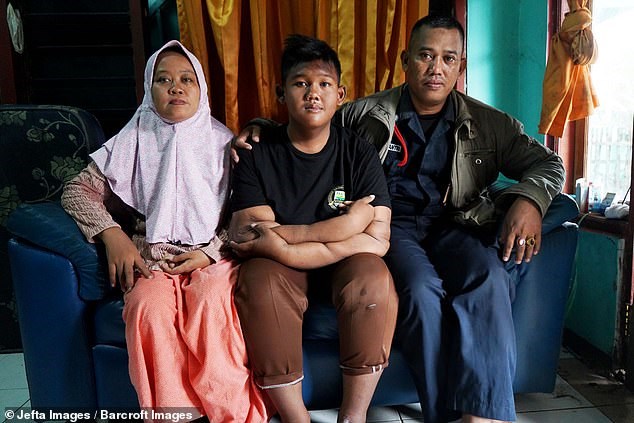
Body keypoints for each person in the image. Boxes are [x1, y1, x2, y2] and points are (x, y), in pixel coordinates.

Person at [234, 15, 565, 423]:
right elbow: (311, 120)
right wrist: (259, 127)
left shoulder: (490, 124)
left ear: (461, 66)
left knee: (490, 276)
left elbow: (549, 164)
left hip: (457, 225)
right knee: (421, 291)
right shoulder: (366, 114)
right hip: (394, 228)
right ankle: (442, 415)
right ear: (406, 60)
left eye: (448, 58)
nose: (436, 68)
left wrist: (529, 201)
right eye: (426, 56)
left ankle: (482, 416)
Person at [61, 40, 271, 422]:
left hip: (214, 255)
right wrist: (113, 235)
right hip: (151, 257)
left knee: (212, 303)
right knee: (148, 307)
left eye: (187, 79)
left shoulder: (225, 144)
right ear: (149, 88)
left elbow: (244, 215)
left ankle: (233, 414)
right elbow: (77, 191)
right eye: (164, 80)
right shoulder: (131, 140)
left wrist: (210, 252)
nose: (176, 88)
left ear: (201, 89)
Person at [228, 34, 398, 423]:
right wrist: (347, 225)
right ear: (281, 93)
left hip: (343, 265)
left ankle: (353, 416)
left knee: (373, 277)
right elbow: (252, 233)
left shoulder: (358, 151)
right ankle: (296, 417)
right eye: (300, 83)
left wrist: (287, 242)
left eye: (323, 84)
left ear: (340, 94)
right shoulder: (257, 152)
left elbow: (378, 239)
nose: (313, 94)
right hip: (280, 269)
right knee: (259, 281)